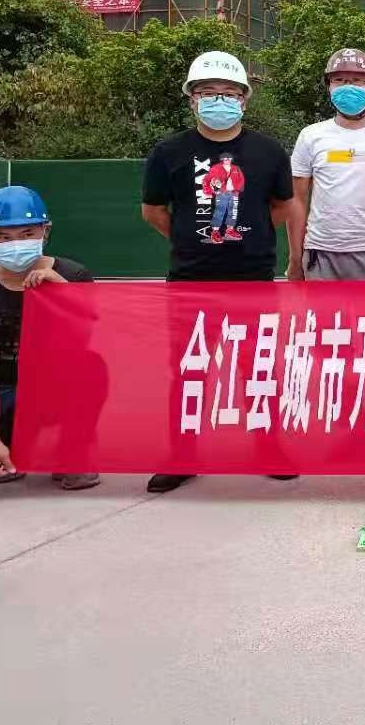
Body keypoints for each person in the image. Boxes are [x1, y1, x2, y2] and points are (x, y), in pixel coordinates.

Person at [141, 50, 301, 494]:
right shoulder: (168, 152)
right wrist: (189, 239)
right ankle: (182, 455)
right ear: (191, 98)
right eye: (208, 92)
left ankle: (269, 448)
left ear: (244, 100)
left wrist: (247, 237)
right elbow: (153, 211)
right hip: (190, 281)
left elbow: (283, 206)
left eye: (229, 93)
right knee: (189, 370)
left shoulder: (267, 151)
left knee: (260, 368)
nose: (219, 100)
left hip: (253, 279)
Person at [0, 186, 99, 489]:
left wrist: (63, 292)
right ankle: (7, 450)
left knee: (93, 367)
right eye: (3, 237)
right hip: (4, 392)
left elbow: (90, 336)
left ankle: (72, 454)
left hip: (53, 387)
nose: (16, 244)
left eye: (27, 233)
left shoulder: (75, 275)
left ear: (45, 230)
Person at [287, 48, 365, 281]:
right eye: (340, 80)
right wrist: (295, 259)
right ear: (328, 86)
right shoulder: (311, 135)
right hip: (321, 253)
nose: (349, 86)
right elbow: (297, 199)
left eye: (358, 80)